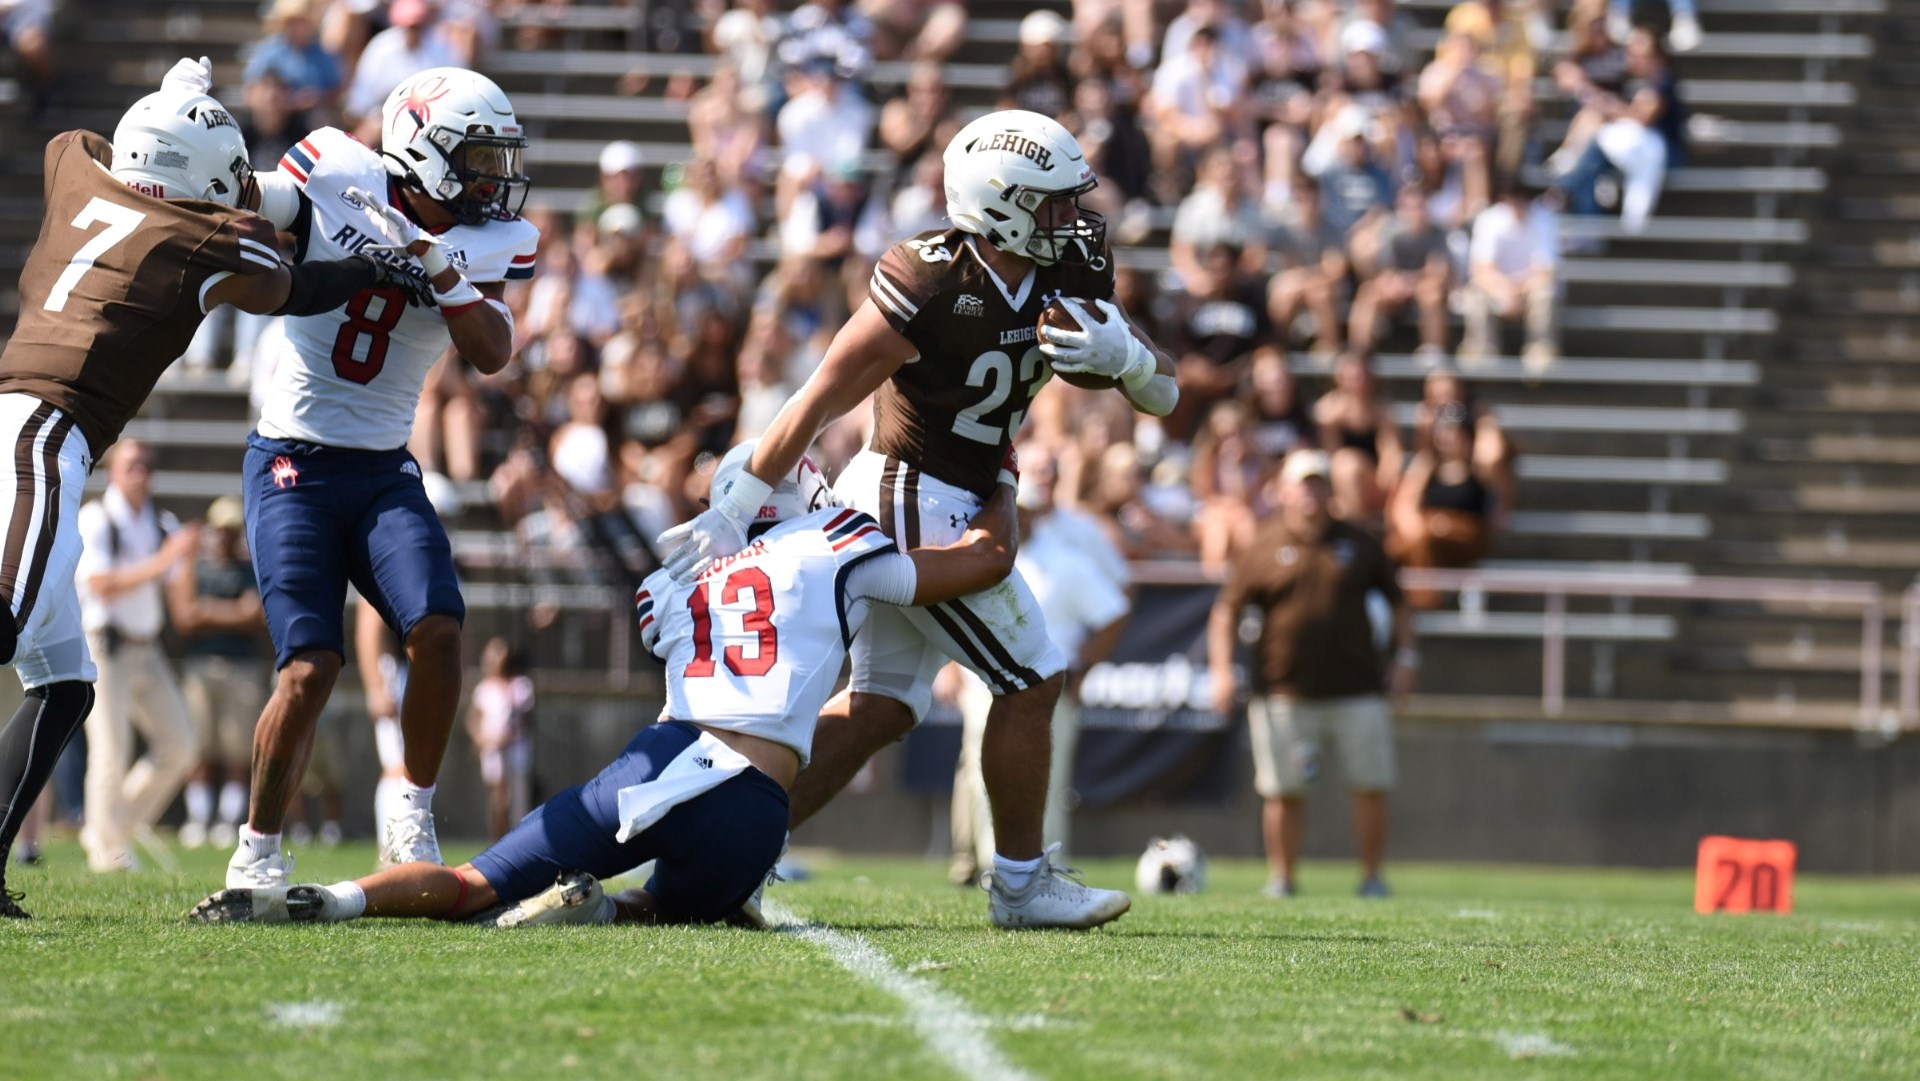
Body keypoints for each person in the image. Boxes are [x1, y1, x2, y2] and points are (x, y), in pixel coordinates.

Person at [654, 110, 1172, 929]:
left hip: (960, 488)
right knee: (1033, 677)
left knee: (879, 712)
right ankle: (1020, 882)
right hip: (910, 492)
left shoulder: (1070, 268)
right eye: (1051, 205)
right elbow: (820, 392)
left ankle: (725, 862)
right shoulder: (931, 282)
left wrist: (1134, 363)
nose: (1071, 221)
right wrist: (736, 506)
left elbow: (1166, 392)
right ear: (1000, 205)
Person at [190, 444, 1045, 928]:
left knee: (471, 885)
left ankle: (328, 899)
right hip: (752, 806)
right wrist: (999, 486)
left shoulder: (672, 582)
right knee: (671, 910)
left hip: (655, 763)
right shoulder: (843, 543)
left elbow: (671, 621)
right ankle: (601, 908)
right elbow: (982, 561)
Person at [0, 62, 431, 918]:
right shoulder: (196, 240)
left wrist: (173, 97)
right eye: (226, 176)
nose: (240, 191)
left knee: (65, 683)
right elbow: (287, 284)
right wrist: (374, 268)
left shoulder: (74, 168)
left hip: (27, 426)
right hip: (42, 438)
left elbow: (80, 143)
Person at [226, 66, 534, 889]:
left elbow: (494, 350)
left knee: (437, 628)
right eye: (476, 158)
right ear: (422, 151)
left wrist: (436, 266)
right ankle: (256, 848)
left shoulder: (486, 242)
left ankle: (411, 812)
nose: (492, 180)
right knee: (310, 665)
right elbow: (259, 207)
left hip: (385, 467)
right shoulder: (337, 173)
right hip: (293, 456)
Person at [1208, 450, 1417, 899]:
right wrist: (1222, 670)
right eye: (1302, 483)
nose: (1311, 492)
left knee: (1370, 785)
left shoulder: (1360, 542)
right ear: (1282, 490)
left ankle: (1373, 877)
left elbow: (1399, 602)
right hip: (1284, 691)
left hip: (1357, 689)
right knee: (1282, 790)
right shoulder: (1262, 545)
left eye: (1319, 482)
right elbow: (1226, 611)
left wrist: (1406, 659)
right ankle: (1282, 878)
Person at [951, 452, 1129, 881]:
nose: (1018, 517)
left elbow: (1113, 612)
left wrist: (1083, 667)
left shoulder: (1067, 561)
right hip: (984, 684)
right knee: (978, 773)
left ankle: (1041, 867)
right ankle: (994, 866)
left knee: (1044, 778)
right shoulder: (982, 554)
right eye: (1013, 507)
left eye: (1024, 509)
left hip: (1047, 686)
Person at [74, 442, 199, 872]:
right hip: (104, 646)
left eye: (146, 465)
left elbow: (182, 610)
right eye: (131, 466)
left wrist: (187, 561)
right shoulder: (97, 518)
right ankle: (108, 854)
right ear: (113, 472)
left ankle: (110, 830)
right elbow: (102, 583)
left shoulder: (162, 524)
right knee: (111, 750)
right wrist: (165, 558)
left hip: (148, 647)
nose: (140, 473)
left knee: (180, 745)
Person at [168, 496, 269, 851]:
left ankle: (227, 820)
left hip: (241, 667)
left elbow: (253, 616)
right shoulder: (199, 568)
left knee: (238, 750)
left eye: (231, 531)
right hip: (202, 665)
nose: (225, 538)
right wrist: (231, 612)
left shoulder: (249, 569)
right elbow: (186, 617)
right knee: (199, 747)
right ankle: (199, 819)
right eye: (221, 531)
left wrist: (207, 612)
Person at [1460, 178, 1560, 370]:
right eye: (1515, 196)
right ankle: (1482, 352)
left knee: (1545, 293)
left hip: (1529, 288)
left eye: (1525, 197)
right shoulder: (1489, 219)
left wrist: (1515, 290)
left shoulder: (1544, 219)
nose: (1519, 202)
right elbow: (1480, 268)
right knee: (1474, 293)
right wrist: (1504, 290)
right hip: (1497, 287)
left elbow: (1545, 270)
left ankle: (1540, 353)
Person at [467, 637, 533, 841]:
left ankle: (520, 839)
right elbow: (473, 719)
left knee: (518, 799)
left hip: (515, 750)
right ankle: (498, 839)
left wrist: (507, 736)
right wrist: (480, 739)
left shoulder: (519, 686)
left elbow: (525, 720)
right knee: (499, 798)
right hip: (493, 750)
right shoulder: (484, 689)